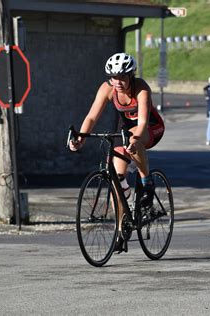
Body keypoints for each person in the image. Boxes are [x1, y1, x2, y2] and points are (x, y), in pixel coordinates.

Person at [69, 52, 165, 252]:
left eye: (122, 77)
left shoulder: (141, 88)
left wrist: (136, 140)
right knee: (116, 178)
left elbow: (143, 123)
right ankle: (122, 228)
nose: (118, 82)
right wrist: (81, 138)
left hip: (150, 128)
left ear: (131, 76)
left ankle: (147, 181)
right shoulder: (107, 89)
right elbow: (91, 117)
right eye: (113, 77)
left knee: (132, 138)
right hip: (126, 131)